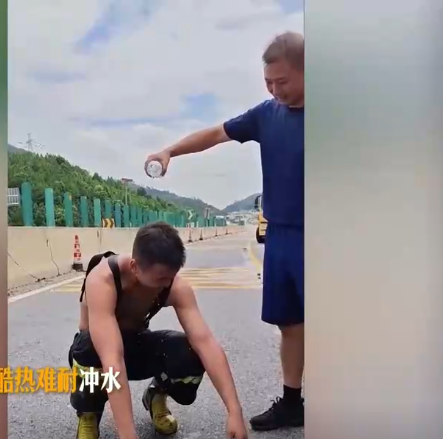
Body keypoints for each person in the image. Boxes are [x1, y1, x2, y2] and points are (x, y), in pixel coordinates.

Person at [144, 31, 305, 432]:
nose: (274, 90)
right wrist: (170, 151)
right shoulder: (267, 114)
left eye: (282, 81)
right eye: (268, 81)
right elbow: (215, 134)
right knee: (289, 324)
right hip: (281, 237)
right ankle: (292, 402)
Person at [70, 222, 248, 439]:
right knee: (89, 351)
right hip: (98, 354)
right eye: (161, 278)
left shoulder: (174, 285)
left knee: (190, 352)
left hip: (134, 345)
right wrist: (128, 435)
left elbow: (206, 344)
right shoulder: (102, 280)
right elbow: (112, 359)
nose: (167, 284)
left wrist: (234, 411)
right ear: (135, 267)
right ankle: (89, 411)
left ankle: (156, 394)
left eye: (171, 277)